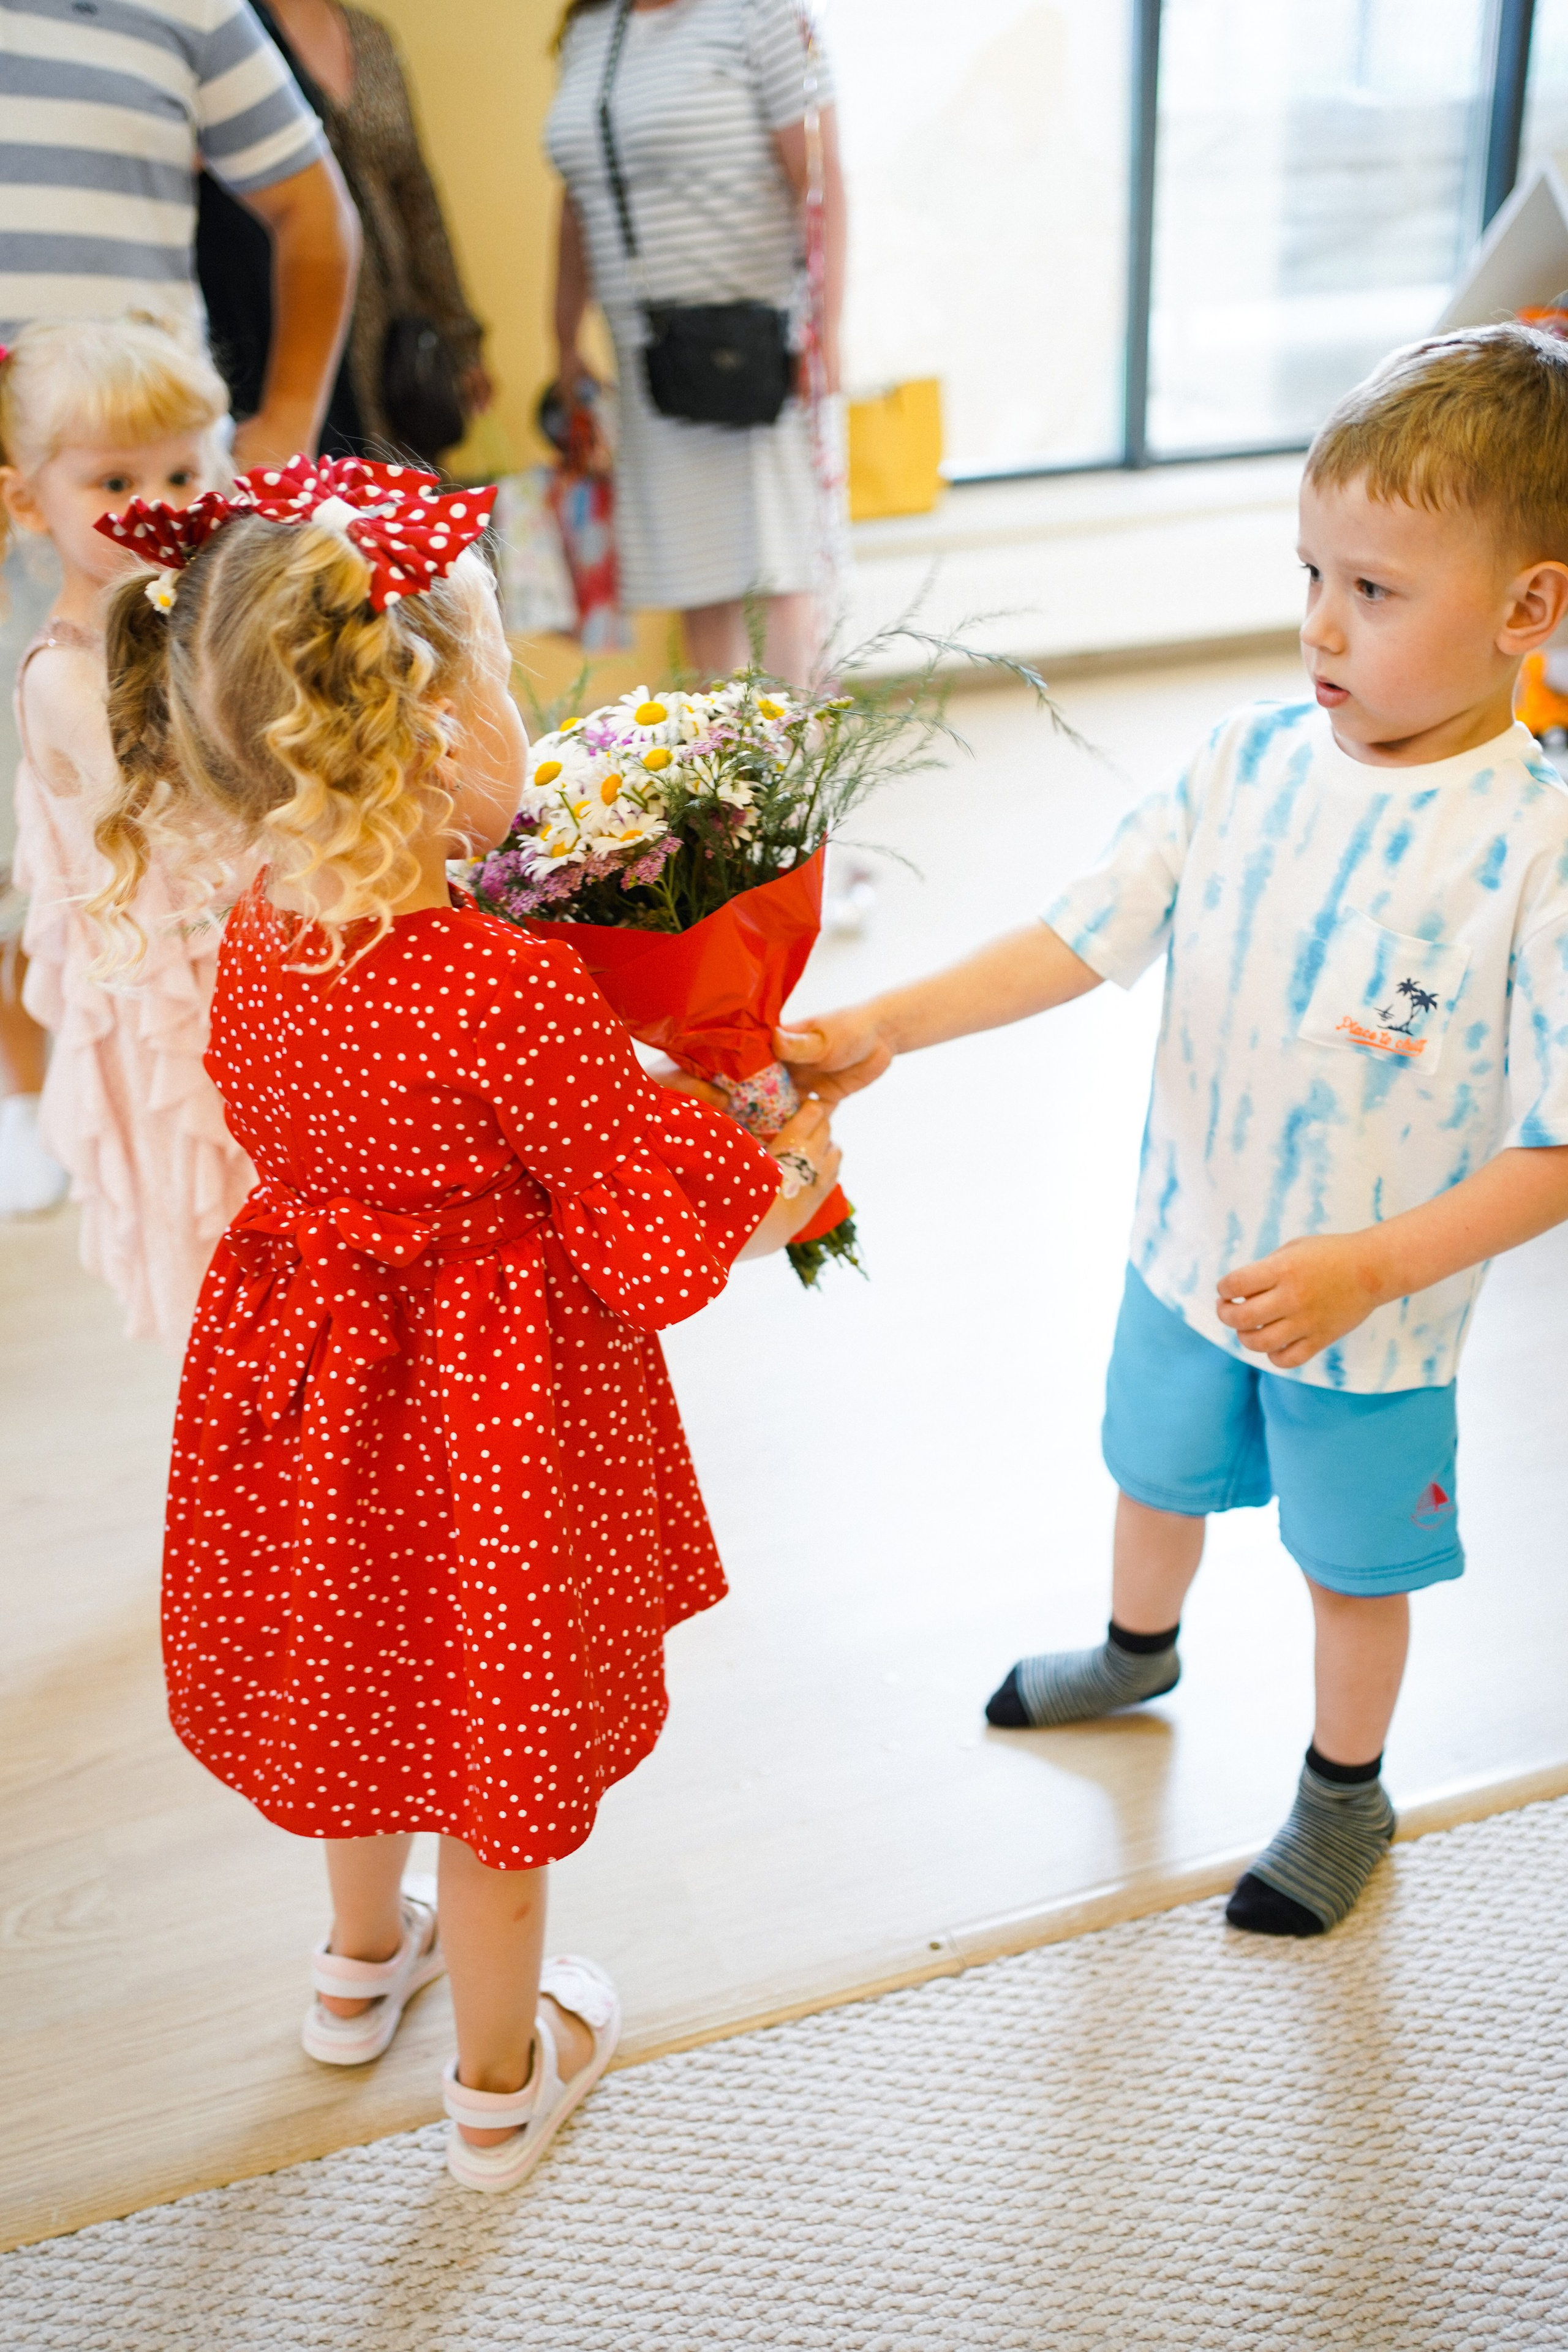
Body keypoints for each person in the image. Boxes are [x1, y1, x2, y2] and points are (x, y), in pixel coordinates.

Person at [88, 457, 841, 2187]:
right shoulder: (503, 975)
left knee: (360, 1680)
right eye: (505, 663)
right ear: (430, 724)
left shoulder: (265, 933)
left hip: (318, 1392)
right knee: (496, 1742)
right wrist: (776, 1179)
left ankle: (360, 1971)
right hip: (485, 1404)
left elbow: (297, 1113)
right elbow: (632, 1216)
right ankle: (502, 2087)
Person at [777, 325, 1568, 1939]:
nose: (1319, 626)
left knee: (1357, 1570)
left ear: (1528, 609)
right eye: (1312, 574)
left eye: (1375, 590)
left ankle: (1348, 1790)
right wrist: (882, 1026)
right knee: (1155, 1469)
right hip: (1185, 1246)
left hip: (1375, 1322)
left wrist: (1371, 1267)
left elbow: (1558, 1147)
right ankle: (1141, 1652)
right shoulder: (1244, 766)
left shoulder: (1535, 848)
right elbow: (1079, 935)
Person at [0, 0, 360, 1208]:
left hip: (137, 502)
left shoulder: (187, 8)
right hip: (41, 492)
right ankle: (29, 1093)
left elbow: (312, 209)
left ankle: (244, 1079)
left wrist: (276, 436)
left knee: (188, 783)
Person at [0, 319, 255, 1342]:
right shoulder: (66, 672)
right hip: (180, 1005)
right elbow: (183, 817)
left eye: (187, 469)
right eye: (114, 484)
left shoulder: (198, 620)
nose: (163, 506)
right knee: (231, 1242)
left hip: (254, 962)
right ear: (27, 501)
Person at [546, 0, 846, 687]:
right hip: (648, 354)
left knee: (783, 568)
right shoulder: (591, 32)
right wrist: (563, 337)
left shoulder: (762, 17)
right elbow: (577, 200)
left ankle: (791, 773)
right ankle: (726, 779)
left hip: (756, 347)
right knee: (693, 574)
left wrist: (827, 332)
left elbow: (821, 184)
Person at [196, 2, 492, 466]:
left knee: (407, 498)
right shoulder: (225, 30)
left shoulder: (369, 36)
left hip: (396, 332)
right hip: (285, 328)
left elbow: (416, 194)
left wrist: (459, 332)